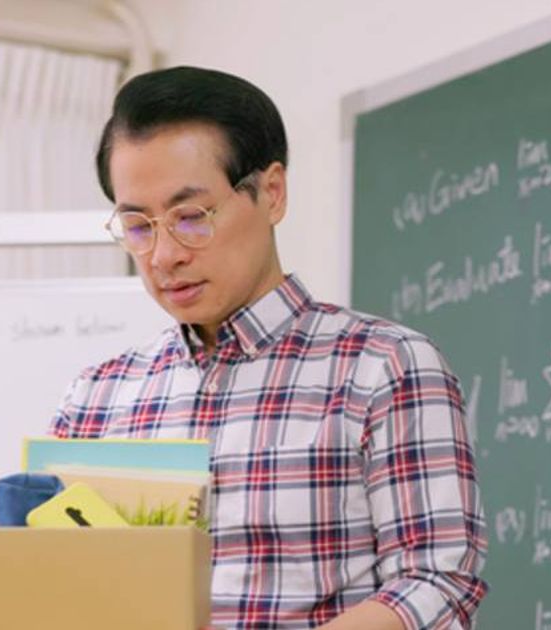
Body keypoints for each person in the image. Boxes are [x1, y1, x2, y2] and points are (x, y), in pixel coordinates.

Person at [50, 66, 487, 629]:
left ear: (272, 192)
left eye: (190, 218)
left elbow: (439, 580)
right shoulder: (95, 399)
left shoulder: (384, 368)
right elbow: (63, 592)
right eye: (138, 225)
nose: (163, 256)